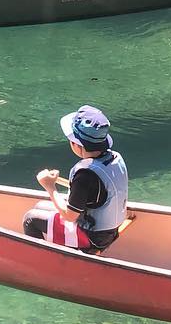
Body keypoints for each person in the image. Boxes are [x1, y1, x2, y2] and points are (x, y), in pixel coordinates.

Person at [22, 105, 129, 254]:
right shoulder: (114, 158)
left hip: (93, 237)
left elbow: (70, 216)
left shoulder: (84, 175)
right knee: (40, 205)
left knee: (30, 219)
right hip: (110, 229)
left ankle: (40, 263)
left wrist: (49, 187)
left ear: (77, 145)